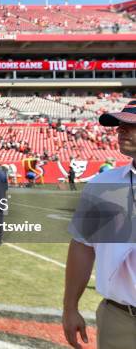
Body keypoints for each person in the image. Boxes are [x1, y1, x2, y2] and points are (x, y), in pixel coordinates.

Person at [62, 100, 136, 349]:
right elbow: (83, 245)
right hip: (120, 317)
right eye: (119, 125)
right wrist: (70, 307)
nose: (120, 130)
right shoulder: (102, 184)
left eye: (130, 125)